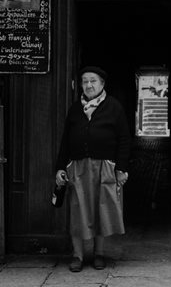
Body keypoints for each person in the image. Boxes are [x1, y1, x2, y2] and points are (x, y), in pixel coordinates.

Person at [55, 66, 131, 272]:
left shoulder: (114, 107)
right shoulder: (75, 109)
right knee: (77, 211)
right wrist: (60, 167)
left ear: (102, 84)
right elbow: (65, 141)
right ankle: (77, 255)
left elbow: (124, 139)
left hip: (104, 167)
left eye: (93, 81)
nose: (89, 85)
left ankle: (99, 253)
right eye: (85, 81)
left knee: (101, 209)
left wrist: (121, 168)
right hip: (78, 167)